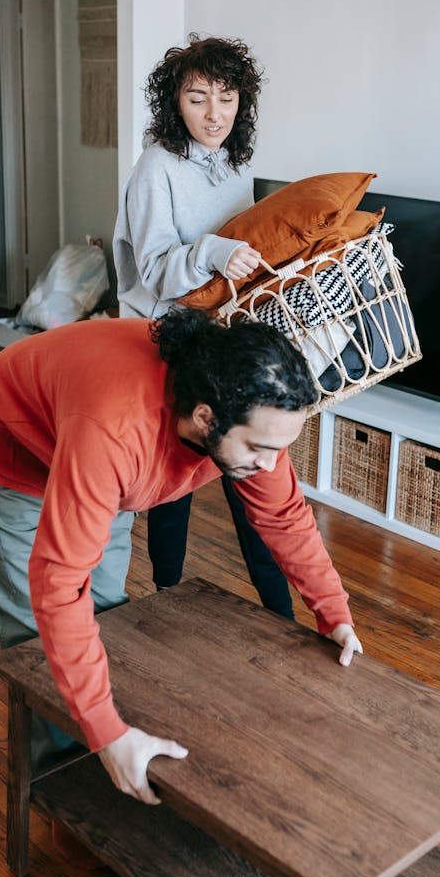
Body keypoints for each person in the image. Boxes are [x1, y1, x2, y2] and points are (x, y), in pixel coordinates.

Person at [0, 308, 362, 807]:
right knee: (39, 646)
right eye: (260, 448)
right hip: (16, 450)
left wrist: (334, 613)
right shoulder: (115, 430)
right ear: (206, 417)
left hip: (100, 458)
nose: (270, 465)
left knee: (109, 620)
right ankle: (69, 807)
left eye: (281, 448)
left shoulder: (249, 417)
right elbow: (59, 584)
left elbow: (284, 517)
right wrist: (105, 733)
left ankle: (120, 761)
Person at [113, 34, 294, 618]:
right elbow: (155, 270)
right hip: (167, 339)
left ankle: (282, 613)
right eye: (197, 98)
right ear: (174, 101)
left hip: (221, 335)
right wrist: (215, 251)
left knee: (251, 478)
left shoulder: (236, 162)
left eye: (226, 97)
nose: (214, 115)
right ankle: (166, 597)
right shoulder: (155, 168)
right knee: (173, 480)